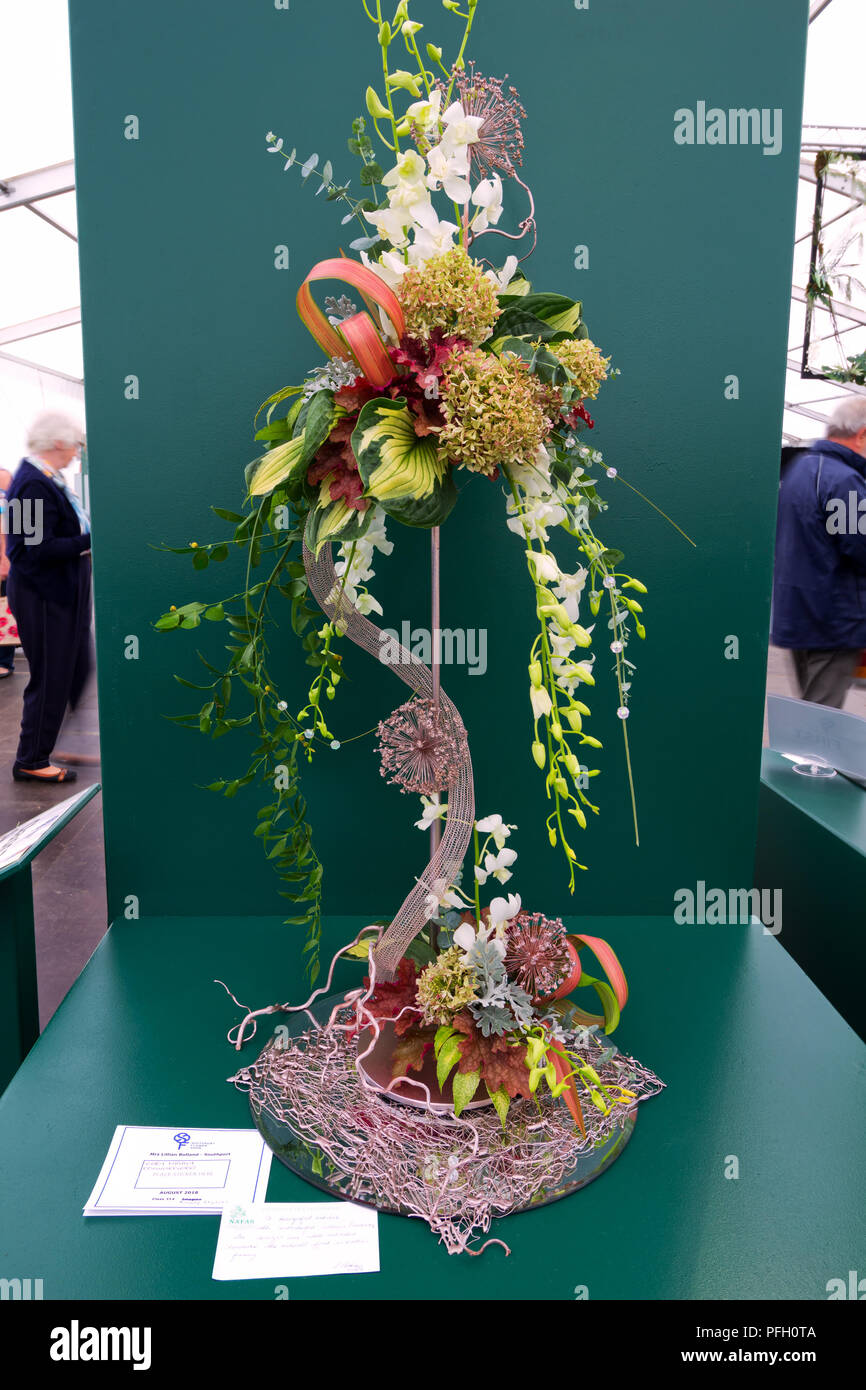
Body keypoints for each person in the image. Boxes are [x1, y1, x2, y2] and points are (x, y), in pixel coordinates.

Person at [5, 411, 92, 783]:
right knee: (51, 676)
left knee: (76, 668)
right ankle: (31, 759)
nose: (77, 452)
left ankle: (65, 740)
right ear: (57, 442)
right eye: (76, 444)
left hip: (60, 593)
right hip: (43, 595)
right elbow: (29, 549)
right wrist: (90, 541)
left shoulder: (48, 480)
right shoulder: (30, 484)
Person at [772, 398, 866, 708]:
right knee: (821, 722)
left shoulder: (801, 469)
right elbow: (861, 547)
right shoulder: (845, 481)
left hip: (800, 613)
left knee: (811, 710)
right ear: (862, 435)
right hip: (832, 619)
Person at [0, 466, 17, 677]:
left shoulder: (14, 503)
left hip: (6, 565)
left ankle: (4, 660)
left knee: (5, 611)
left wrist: (5, 563)